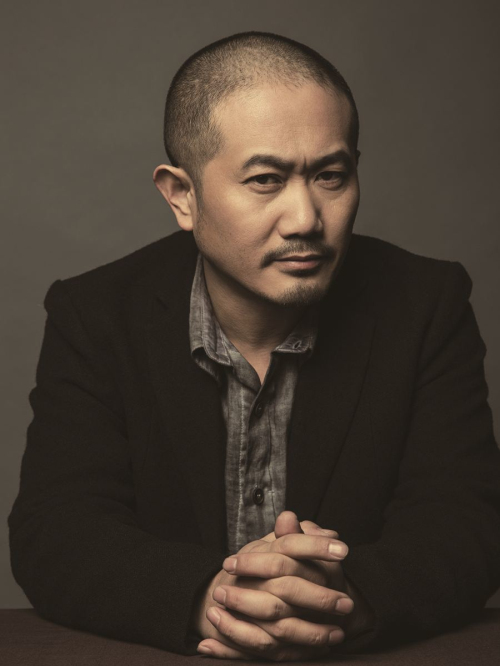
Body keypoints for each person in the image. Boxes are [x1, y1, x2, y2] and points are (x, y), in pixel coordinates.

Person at [8, 30, 500, 662]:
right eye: (266, 179)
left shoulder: (425, 304)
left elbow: (467, 522)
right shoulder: (96, 314)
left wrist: (339, 597)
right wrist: (212, 600)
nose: (306, 219)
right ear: (182, 196)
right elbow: (57, 531)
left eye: (331, 176)